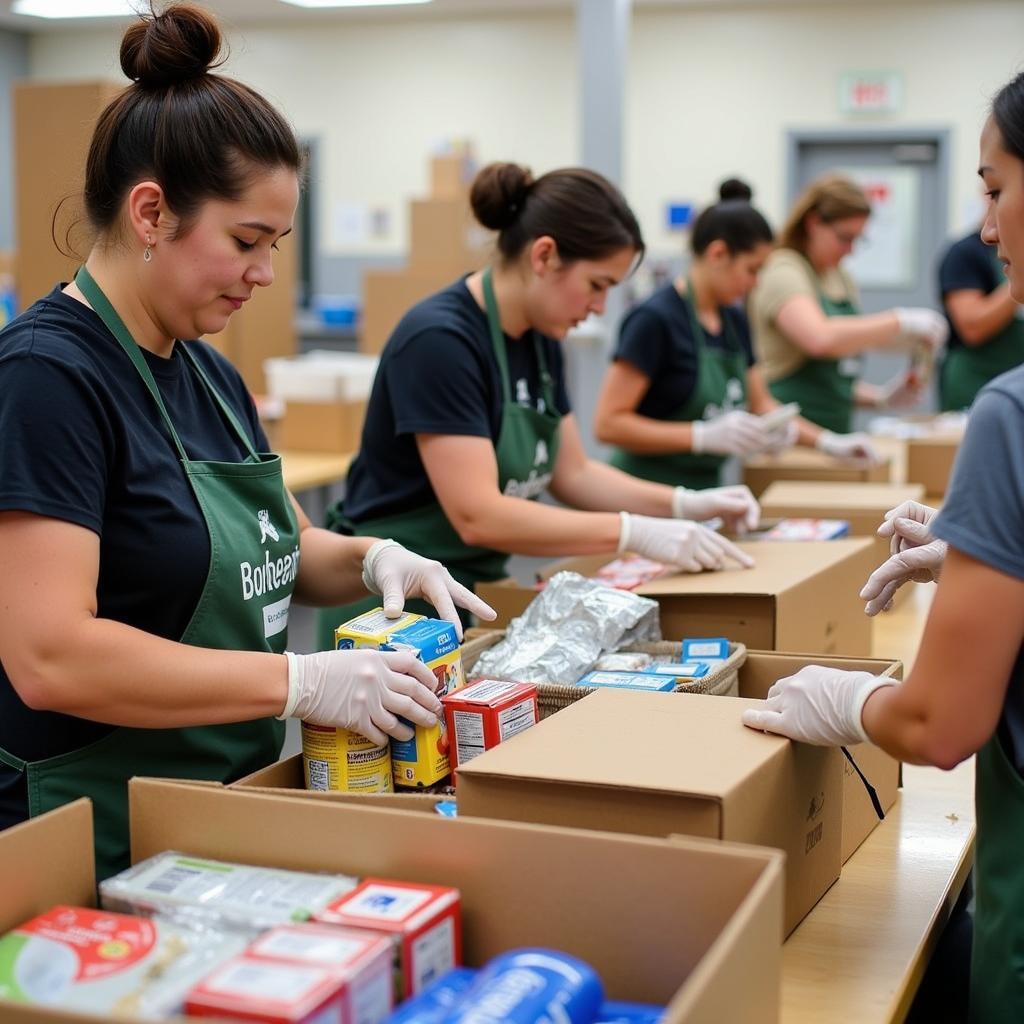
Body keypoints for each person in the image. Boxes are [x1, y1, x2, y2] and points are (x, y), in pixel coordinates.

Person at [0, 2, 493, 881]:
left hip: (223, 805)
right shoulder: (45, 379)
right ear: (151, 213)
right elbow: (50, 656)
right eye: (246, 241)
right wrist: (298, 684)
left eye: (278, 244)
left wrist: (378, 556)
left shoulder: (207, 372)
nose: (266, 274)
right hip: (97, 830)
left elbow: (279, 547)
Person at [741, 70, 1024, 1023]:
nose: (986, 230)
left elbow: (939, 727)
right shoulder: (790, 278)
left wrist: (850, 695)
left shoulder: (1012, 413)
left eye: (994, 190)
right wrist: (991, 561)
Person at [316, 162, 760, 649]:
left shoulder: (542, 339)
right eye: (597, 285)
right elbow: (478, 514)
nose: (598, 308)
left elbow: (574, 474)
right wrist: (632, 532)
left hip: (470, 591)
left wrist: (682, 504)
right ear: (545, 255)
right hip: (391, 609)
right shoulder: (440, 340)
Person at [594, 182, 879, 489]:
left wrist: (826, 442)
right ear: (718, 254)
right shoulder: (655, 320)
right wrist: (700, 436)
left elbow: (761, 404)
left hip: (705, 491)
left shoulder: (733, 321)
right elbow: (609, 424)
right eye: (752, 270)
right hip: (644, 490)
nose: (757, 284)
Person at [748, 173, 948, 438]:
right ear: (813, 223)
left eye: (858, 240)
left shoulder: (839, 277)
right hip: (785, 441)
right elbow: (820, 339)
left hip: (834, 437)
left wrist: (881, 399)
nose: (850, 250)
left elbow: (831, 381)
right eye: (844, 238)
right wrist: (900, 321)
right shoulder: (783, 269)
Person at [938, 222, 1024, 411]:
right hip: (976, 384)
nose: (989, 233)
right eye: (993, 196)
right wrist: (1019, 279)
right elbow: (972, 328)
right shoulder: (966, 253)